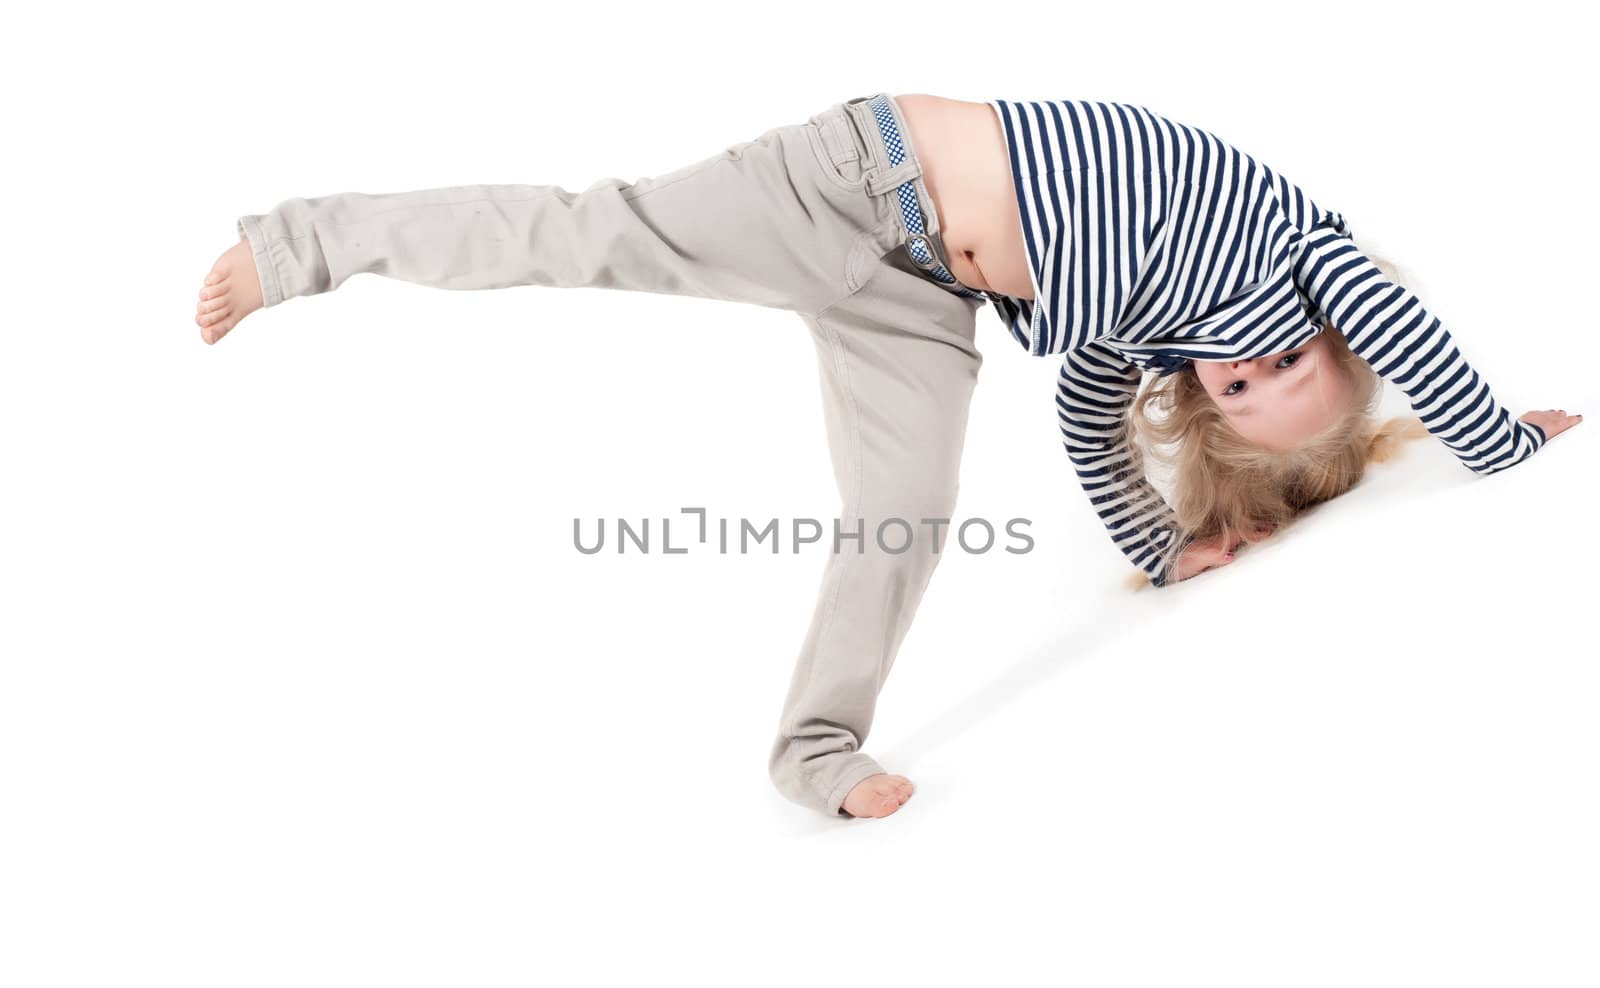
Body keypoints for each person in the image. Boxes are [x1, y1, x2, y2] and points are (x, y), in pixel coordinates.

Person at [193, 92, 1581, 821]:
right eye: (1294, 361)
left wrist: (1162, 551)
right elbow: (1409, 330)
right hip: (851, 179)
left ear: (1208, 412)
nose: (1265, 367)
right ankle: (300, 242)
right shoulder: (1306, 255)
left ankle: (814, 749)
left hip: (922, 290)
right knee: (584, 231)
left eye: (1248, 393)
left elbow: (1086, 423)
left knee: (907, 508)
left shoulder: (1139, 338)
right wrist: (1500, 442)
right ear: (1342, 331)